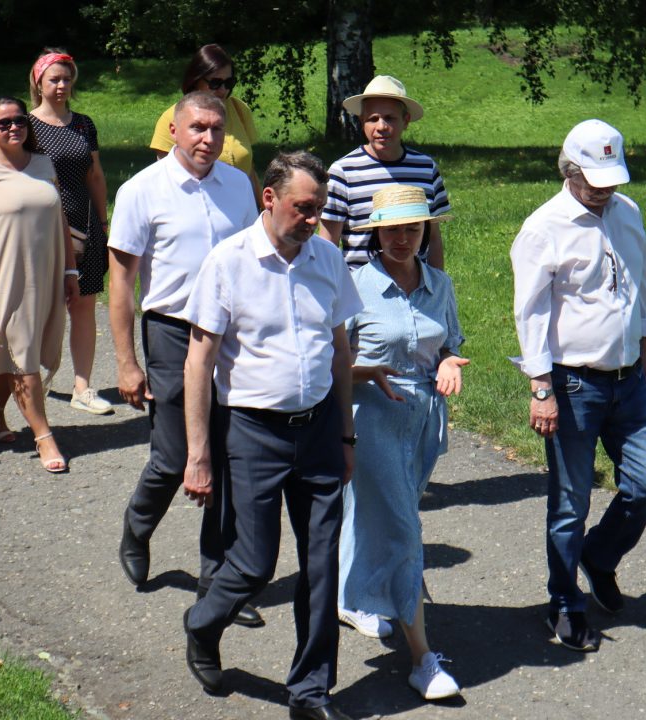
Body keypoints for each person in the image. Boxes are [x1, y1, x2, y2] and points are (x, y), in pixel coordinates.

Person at [181, 151, 362, 720]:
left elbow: (339, 352)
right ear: (269, 199)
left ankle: (310, 691)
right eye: (302, 208)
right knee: (254, 564)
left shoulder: (328, 261)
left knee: (321, 564)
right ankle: (203, 625)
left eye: (319, 209)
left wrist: (347, 436)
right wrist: (198, 455)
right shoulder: (228, 263)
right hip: (252, 433)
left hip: (318, 433)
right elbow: (198, 363)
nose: (313, 219)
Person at [509, 118, 646, 652]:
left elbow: (642, 280)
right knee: (570, 501)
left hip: (628, 381)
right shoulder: (544, 227)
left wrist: (645, 347)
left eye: (611, 178)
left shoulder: (627, 213)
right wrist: (540, 386)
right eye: (594, 178)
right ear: (569, 170)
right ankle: (564, 600)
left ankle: (600, 557)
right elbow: (529, 313)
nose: (605, 189)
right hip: (573, 384)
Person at [108, 91, 262, 625]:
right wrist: (127, 362)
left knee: (227, 455)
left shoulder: (239, 186)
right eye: (197, 127)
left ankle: (215, 581)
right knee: (176, 458)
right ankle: (138, 524)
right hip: (173, 332)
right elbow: (122, 283)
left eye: (217, 129)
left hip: (232, 336)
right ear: (173, 131)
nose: (207, 138)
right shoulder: (141, 192)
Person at [339, 185, 468, 700]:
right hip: (371, 416)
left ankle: (355, 597)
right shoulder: (353, 286)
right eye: (391, 229)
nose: (401, 238)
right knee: (403, 528)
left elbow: (450, 343)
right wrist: (362, 372)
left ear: (425, 231)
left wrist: (449, 363)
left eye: (411, 229)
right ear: (375, 232)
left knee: (382, 516)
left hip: (423, 423)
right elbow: (328, 365)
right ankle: (423, 660)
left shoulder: (440, 284)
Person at [0, 97, 79, 473]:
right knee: (21, 351)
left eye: (19, 120)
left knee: (18, 348)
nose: (12, 128)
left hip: (46, 272)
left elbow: (60, 220)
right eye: (2, 123)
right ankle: (43, 435)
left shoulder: (43, 164)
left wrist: (70, 272)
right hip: (2, 275)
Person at [28, 49, 113, 416]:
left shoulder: (84, 124)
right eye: (54, 79)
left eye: (66, 79)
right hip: (42, 227)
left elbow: (94, 174)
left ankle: (82, 386)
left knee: (84, 305)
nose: (61, 86)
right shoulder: (25, 125)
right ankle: (33, 379)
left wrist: (105, 223)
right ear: (38, 83)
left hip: (85, 223)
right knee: (41, 308)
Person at [319, 75, 450, 270]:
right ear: (361, 121)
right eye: (373, 119)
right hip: (359, 291)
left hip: (416, 289)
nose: (381, 127)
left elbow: (433, 239)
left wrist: (438, 287)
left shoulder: (425, 168)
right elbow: (328, 244)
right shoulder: (343, 172)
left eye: (390, 118)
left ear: (405, 121)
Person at [148, 44, 263, 208]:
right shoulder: (173, 117)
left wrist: (261, 208)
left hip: (241, 211)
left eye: (229, 82)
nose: (223, 89)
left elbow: (249, 168)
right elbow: (164, 180)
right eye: (215, 83)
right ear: (195, 80)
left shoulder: (239, 109)